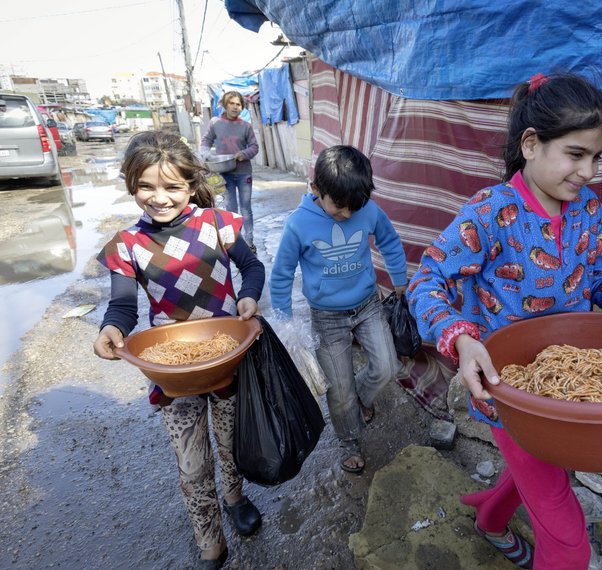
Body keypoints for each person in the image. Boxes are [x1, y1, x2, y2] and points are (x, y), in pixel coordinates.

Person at [406, 72, 602, 570]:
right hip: (511, 394)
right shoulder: (490, 212)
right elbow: (426, 282)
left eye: (597, 158)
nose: (588, 171)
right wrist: (461, 339)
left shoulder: (589, 211)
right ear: (531, 145)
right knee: (568, 540)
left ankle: (489, 516)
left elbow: (600, 276)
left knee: (542, 466)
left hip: (567, 393)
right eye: (576, 155)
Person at [92, 130, 266, 569]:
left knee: (229, 443)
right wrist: (111, 329)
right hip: (172, 371)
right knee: (191, 464)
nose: (159, 198)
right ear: (132, 185)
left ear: (190, 184)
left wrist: (249, 295)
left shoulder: (217, 224)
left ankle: (234, 495)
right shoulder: (127, 246)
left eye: (171, 187)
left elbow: (250, 266)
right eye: (146, 186)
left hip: (227, 357)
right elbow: (122, 304)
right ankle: (208, 536)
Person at [269, 145, 408, 475]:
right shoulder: (298, 224)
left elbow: (389, 240)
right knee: (339, 390)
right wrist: (283, 321)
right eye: (339, 207)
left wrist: (399, 278)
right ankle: (349, 441)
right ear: (316, 188)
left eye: (354, 207)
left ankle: (361, 397)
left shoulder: (367, 209)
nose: (347, 214)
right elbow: (282, 273)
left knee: (387, 367)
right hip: (327, 318)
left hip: (368, 305)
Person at [200, 91, 260, 252]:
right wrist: (205, 154)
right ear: (225, 105)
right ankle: (236, 242)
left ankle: (249, 241)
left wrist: (243, 154)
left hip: (244, 172)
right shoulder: (216, 123)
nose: (235, 107)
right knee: (230, 208)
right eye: (232, 103)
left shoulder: (245, 126)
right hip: (224, 172)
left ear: (242, 107)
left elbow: (254, 147)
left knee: (246, 207)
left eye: (238, 104)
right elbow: (206, 140)